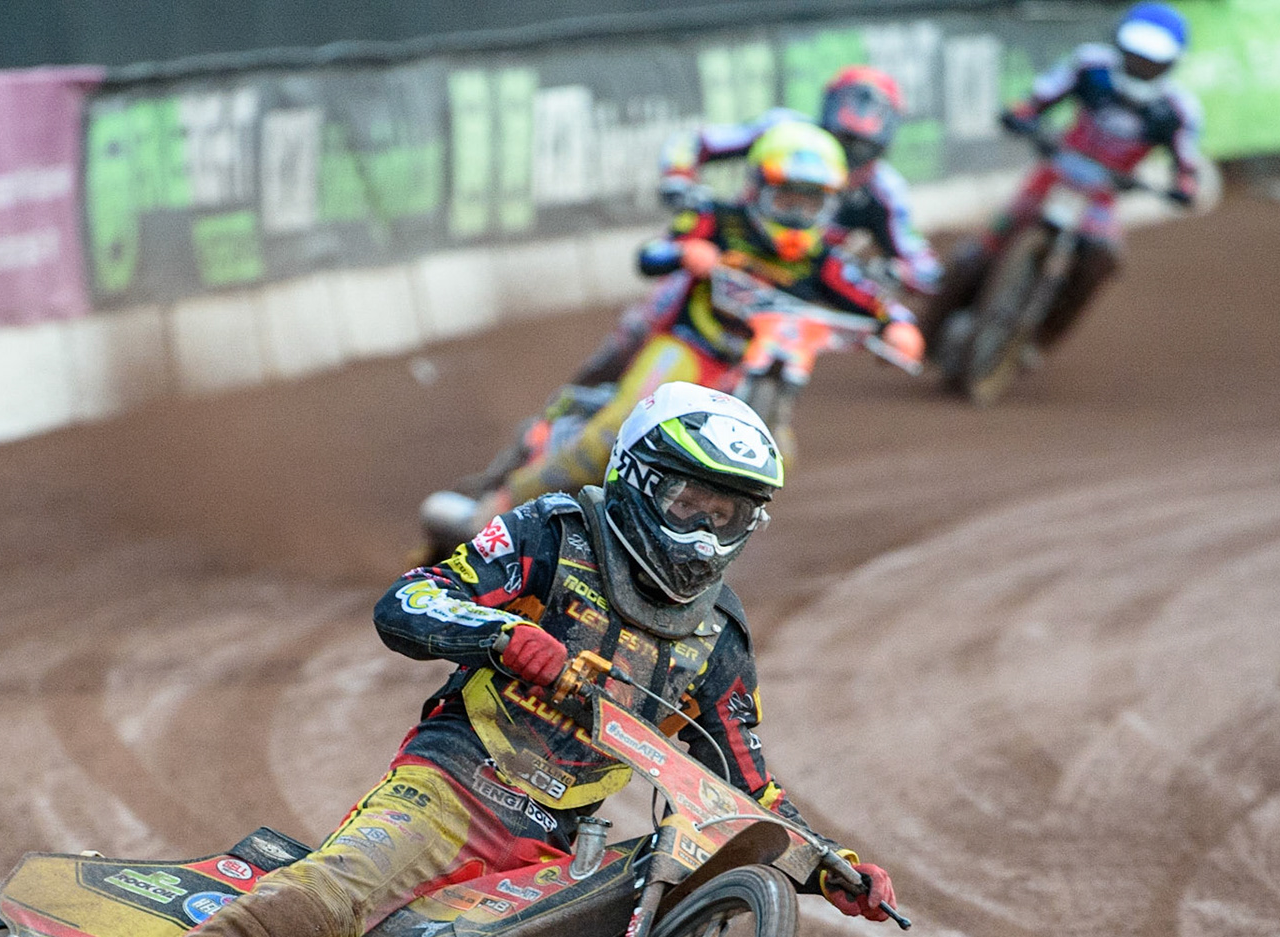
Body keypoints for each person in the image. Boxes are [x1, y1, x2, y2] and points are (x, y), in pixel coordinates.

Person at [6, 384, 901, 937]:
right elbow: (410, 600)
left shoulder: (721, 639)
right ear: (636, 479)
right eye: (688, 505)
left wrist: (835, 866)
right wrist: (505, 636)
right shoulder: (555, 530)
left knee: (679, 927)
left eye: (730, 515)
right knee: (329, 899)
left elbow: (747, 786)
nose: (704, 534)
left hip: (551, 851)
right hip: (449, 788)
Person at [429, 122, 922, 550]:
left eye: (810, 203)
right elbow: (652, 255)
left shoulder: (826, 261)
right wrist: (689, 252)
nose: (795, 215)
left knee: (780, 460)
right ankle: (491, 515)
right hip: (691, 349)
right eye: (786, 198)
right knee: (615, 432)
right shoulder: (718, 220)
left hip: (758, 371)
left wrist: (899, 327)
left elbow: (875, 302)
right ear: (758, 189)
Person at [570, 71, 940, 390]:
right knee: (646, 322)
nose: (845, 155)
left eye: (861, 148)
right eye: (841, 140)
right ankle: (572, 407)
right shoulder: (783, 131)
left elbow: (924, 265)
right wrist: (680, 176)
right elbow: (694, 141)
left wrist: (899, 272)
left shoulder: (885, 191)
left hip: (799, 287)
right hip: (730, 255)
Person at [924, 3, 1203, 357]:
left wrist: (1184, 186)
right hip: (1052, 175)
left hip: (1100, 196)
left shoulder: (1177, 110)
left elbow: (1187, 163)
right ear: (1119, 44)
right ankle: (926, 334)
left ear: (1172, 62)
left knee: (1102, 259)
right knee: (978, 251)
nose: (1140, 64)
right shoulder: (1091, 67)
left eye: (1151, 58)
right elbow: (1039, 97)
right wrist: (1023, 114)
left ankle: (1039, 339)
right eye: (1134, 53)